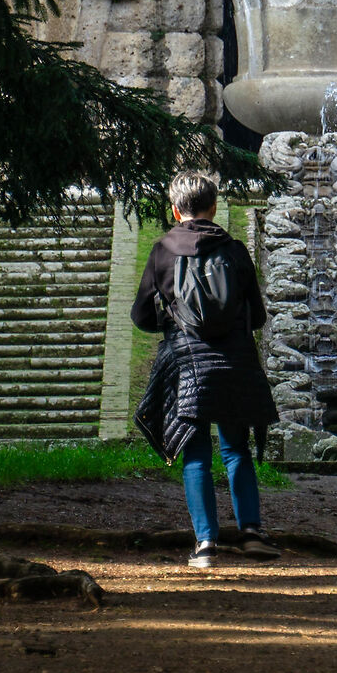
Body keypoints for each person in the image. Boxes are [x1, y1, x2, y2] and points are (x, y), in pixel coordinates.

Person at [131, 171, 281, 569]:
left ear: (175, 209)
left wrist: (173, 324)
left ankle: (206, 545)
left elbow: (141, 314)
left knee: (195, 454)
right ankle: (252, 533)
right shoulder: (234, 249)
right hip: (235, 361)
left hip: (188, 365)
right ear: (214, 208)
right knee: (236, 451)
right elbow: (258, 316)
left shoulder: (163, 250)